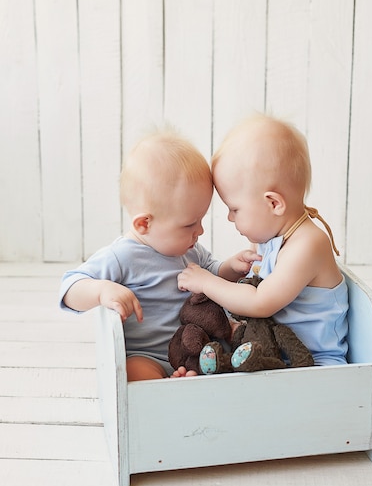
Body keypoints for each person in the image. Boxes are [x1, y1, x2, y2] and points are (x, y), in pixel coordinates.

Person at [59, 128, 260, 381]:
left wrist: (233, 266)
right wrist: (101, 290)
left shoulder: (190, 250)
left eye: (200, 220)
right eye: (189, 224)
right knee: (134, 373)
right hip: (147, 356)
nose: (200, 230)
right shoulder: (122, 256)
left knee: (223, 362)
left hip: (195, 349)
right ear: (144, 224)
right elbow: (69, 288)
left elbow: (213, 272)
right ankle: (165, 389)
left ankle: (190, 382)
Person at [177, 114, 349, 366]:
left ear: (273, 203)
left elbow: (260, 303)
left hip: (315, 364)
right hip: (270, 354)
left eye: (234, 209)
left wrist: (207, 281)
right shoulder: (273, 239)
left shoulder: (308, 244)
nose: (229, 217)